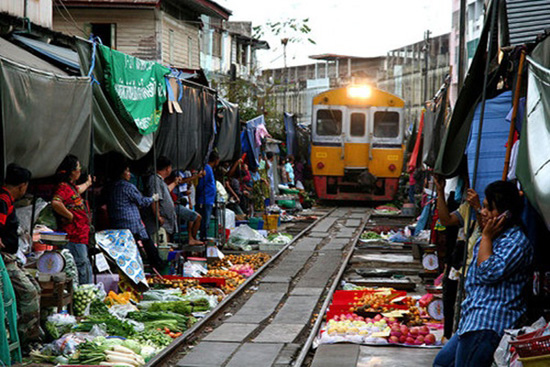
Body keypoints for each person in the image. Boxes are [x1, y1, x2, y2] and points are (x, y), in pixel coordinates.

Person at [433, 181, 533, 367]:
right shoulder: (493, 235)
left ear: (506, 214)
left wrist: (486, 237)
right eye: (484, 206)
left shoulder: (515, 242)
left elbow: (488, 272)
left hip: (488, 324)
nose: (483, 212)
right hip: (473, 320)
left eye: (488, 208)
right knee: (442, 363)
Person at [0, 163, 42, 347]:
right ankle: (27, 341)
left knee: (35, 288)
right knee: (29, 292)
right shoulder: (3, 200)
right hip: (4, 260)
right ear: (22, 185)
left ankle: (31, 331)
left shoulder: (6, 199)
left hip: (11, 257)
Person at [106, 162, 163, 270]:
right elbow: (141, 202)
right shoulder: (128, 187)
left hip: (117, 223)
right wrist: (152, 199)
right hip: (132, 223)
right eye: (127, 171)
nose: (129, 174)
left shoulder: (111, 186)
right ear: (121, 174)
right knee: (147, 243)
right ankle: (157, 265)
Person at [52, 155, 93, 285]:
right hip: (73, 236)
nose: (79, 171)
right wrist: (69, 215)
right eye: (78, 168)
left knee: (84, 263)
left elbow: (78, 190)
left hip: (80, 235)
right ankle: (82, 295)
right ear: (72, 171)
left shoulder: (71, 187)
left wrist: (88, 183)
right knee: (80, 264)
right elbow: (56, 202)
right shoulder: (63, 187)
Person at [196, 151, 219, 241]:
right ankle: (203, 239)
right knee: (204, 222)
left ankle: (203, 238)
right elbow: (201, 185)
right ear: (216, 160)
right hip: (204, 200)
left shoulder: (209, 169)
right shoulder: (207, 169)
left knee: (206, 222)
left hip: (208, 200)